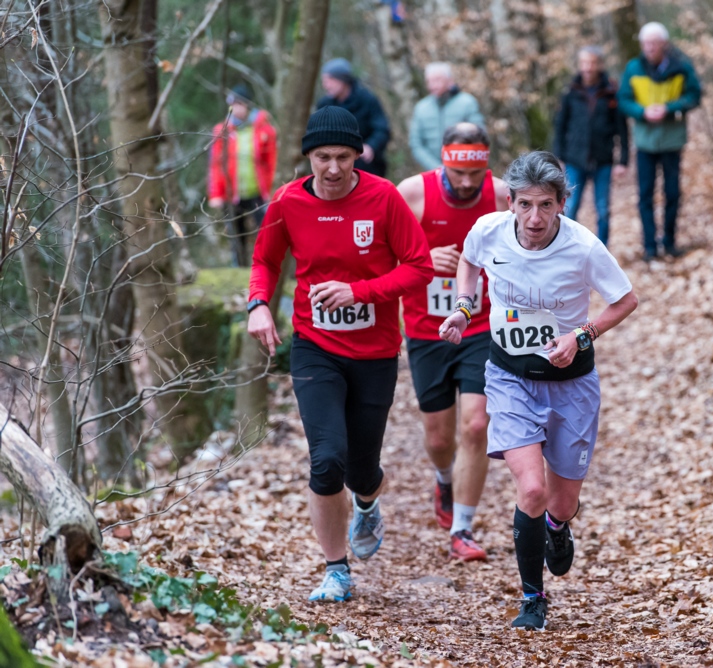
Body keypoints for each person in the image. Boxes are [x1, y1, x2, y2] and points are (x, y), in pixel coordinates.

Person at [438, 151, 638, 630]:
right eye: (525, 204)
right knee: (531, 489)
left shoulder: (584, 247)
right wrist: (465, 309)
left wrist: (580, 336)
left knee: (560, 502)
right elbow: (468, 262)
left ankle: (557, 527)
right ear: (510, 202)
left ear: (562, 204)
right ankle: (532, 597)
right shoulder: (488, 231)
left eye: (545, 205)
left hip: (572, 385)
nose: (534, 218)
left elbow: (626, 300)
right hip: (510, 379)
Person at [247, 106, 433, 603]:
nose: (332, 168)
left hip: (374, 352)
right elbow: (265, 259)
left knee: (361, 469)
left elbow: (418, 267)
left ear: (359, 157)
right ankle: (336, 570)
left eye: (344, 157)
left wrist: (363, 292)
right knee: (326, 461)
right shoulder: (287, 201)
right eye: (323, 157)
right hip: (314, 348)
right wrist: (258, 304)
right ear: (308, 156)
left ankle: (367, 503)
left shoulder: (383, 198)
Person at [397, 123, 508, 562]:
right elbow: (382, 253)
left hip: (481, 326)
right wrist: (425, 260)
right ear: (442, 158)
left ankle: (462, 528)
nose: (465, 183)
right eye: (458, 173)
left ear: (486, 165)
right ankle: (444, 479)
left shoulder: (501, 195)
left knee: (476, 425)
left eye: (475, 174)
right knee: (440, 438)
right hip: (427, 330)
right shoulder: (412, 194)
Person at [618, 22, 701, 260]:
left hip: (672, 140)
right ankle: (650, 247)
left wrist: (670, 109)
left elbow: (694, 96)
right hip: (645, 142)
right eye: (646, 43)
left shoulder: (682, 67)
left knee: (672, 193)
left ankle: (670, 242)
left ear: (664, 44)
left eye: (654, 43)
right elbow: (623, 100)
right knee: (645, 195)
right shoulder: (633, 68)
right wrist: (642, 112)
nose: (650, 48)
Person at [552, 46, 629, 247]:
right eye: (584, 63)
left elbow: (622, 129)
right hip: (574, 159)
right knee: (570, 207)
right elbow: (560, 125)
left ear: (599, 65)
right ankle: (566, 248)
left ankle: (601, 251)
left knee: (602, 209)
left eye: (592, 63)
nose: (588, 67)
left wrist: (623, 161)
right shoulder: (570, 92)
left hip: (603, 160)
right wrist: (557, 156)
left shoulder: (611, 92)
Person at [208, 83, 277, 266]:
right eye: (233, 104)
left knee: (267, 233)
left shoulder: (264, 129)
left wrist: (273, 191)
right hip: (232, 194)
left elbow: (272, 162)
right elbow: (215, 165)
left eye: (239, 104)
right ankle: (238, 272)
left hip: (258, 193)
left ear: (247, 105)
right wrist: (216, 194)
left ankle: (268, 268)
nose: (236, 108)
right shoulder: (221, 131)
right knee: (235, 237)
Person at [316, 58, 392, 177]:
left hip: (366, 163)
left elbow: (382, 129)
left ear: (342, 80)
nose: (325, 86)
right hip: (333, 166)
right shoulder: (324, 105)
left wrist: (371, 147)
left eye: (329, 80)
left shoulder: (367, 99)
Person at [409, 63, 486, 171]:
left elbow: (479, 136)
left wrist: (458, 166)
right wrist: (436, 167)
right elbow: (416, 144)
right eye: (429, 81)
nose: (433, 85)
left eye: (437, 80)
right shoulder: (421, 108)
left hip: (465, 169)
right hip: (433, 172)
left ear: (450, 81)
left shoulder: (467, 102)